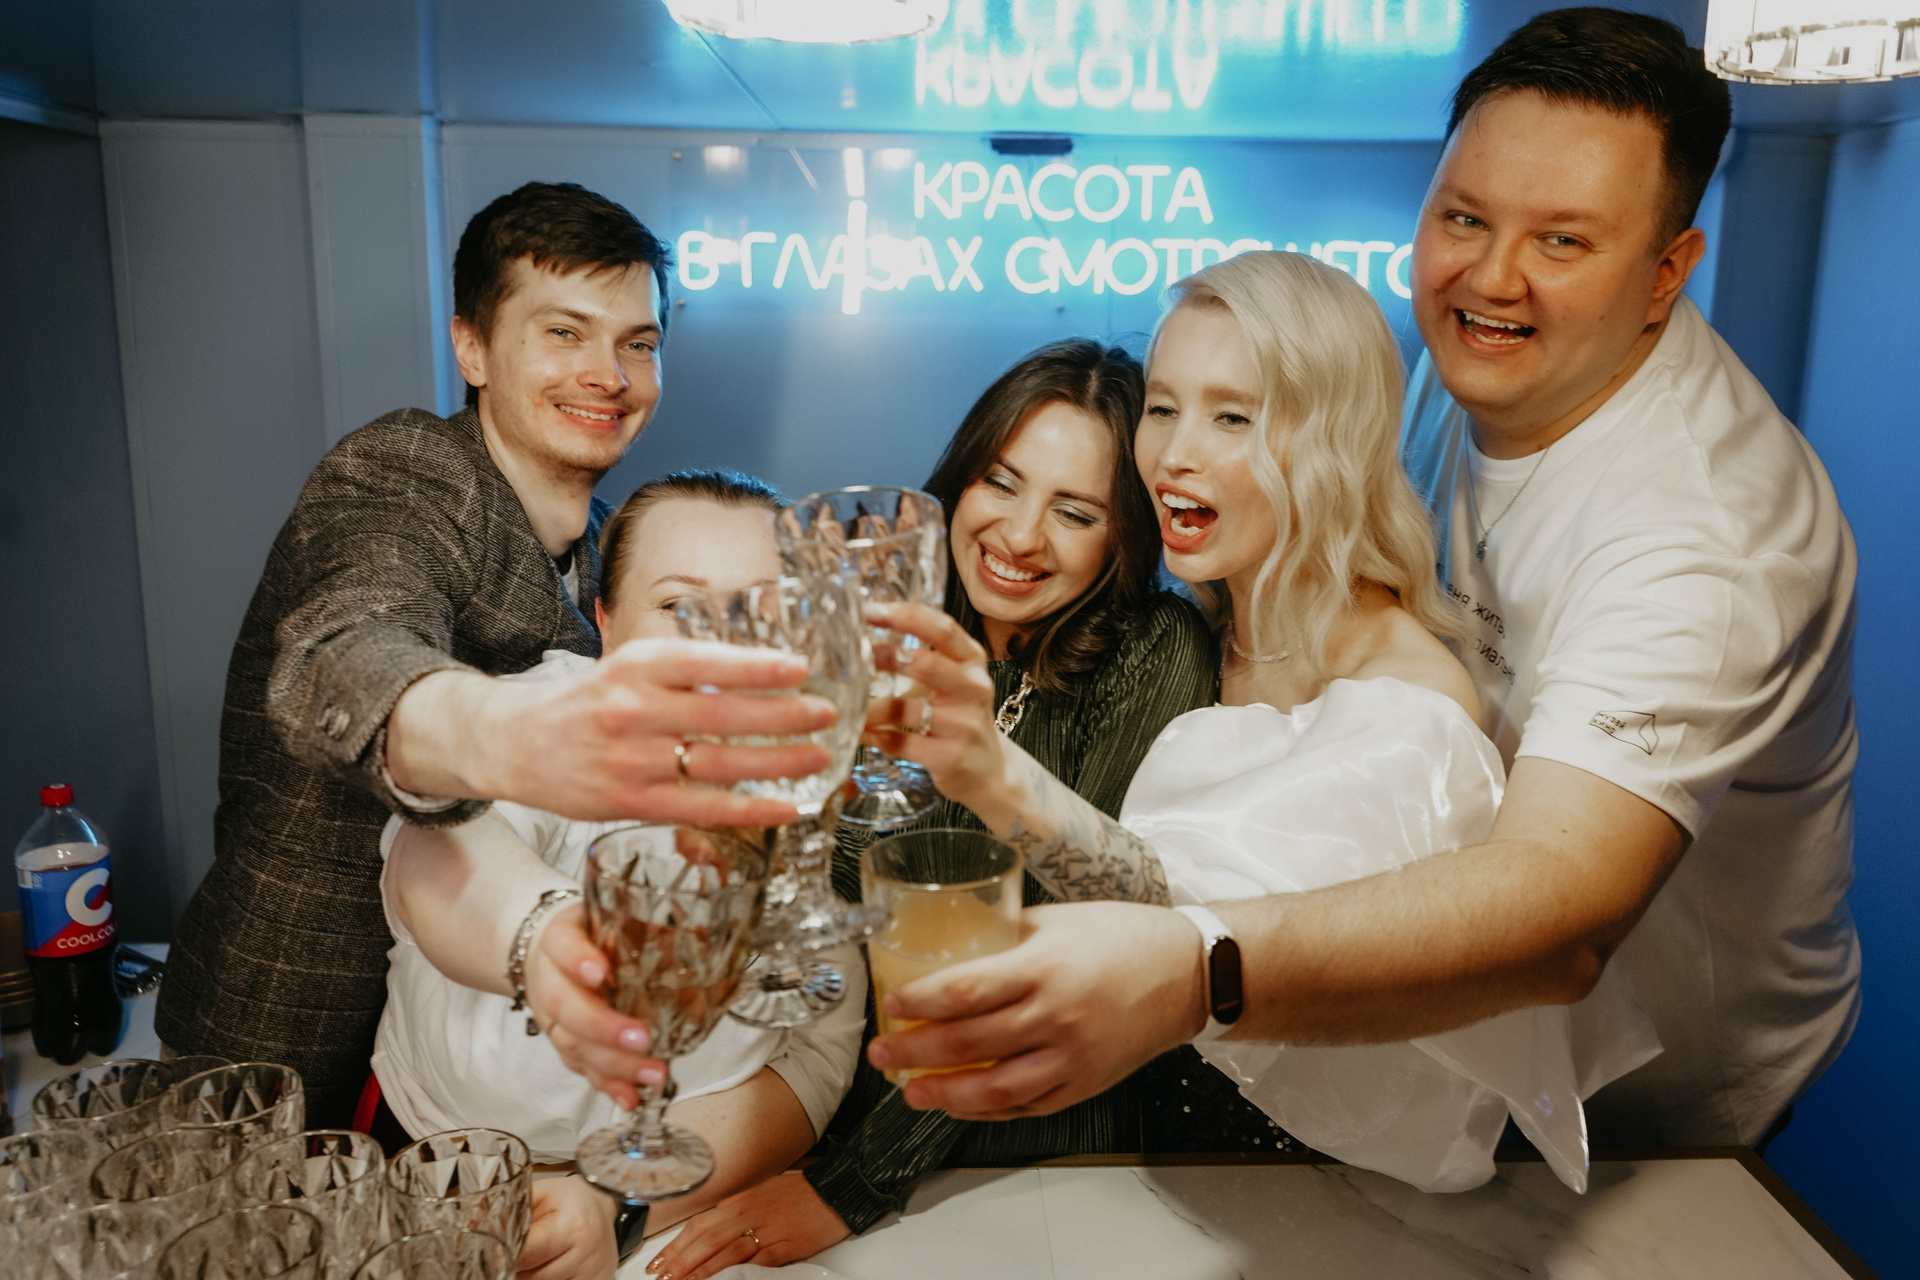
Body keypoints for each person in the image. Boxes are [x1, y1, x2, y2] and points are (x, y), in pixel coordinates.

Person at [856, 8, 1859, 1157]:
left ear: (1666, 270)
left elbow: (1560, 910)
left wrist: (1186, 966)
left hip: (1647, 1090)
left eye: (1563, 240)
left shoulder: (1704, 542)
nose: (1492, 277)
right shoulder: (1462, 362)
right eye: (1464, 218)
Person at [859, 250, 1658, 1193]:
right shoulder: (1204, 630)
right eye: (1164, 407)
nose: (1173, 454)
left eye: (1233, 417)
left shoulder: (1405, 707)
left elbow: (1186, 944)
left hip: (1307, 1202)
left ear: (1332, 444)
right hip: (1147, 1184)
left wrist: (990, 771)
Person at [156, 183, 835, 1126]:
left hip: (464, 1080)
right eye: (563, 333)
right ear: (471, 348)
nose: (608, 373)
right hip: (280, 1037)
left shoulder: (610, 551)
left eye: (638, 344)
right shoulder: (408, 472)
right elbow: (344, 653)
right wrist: (505, 734)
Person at [638, 340, 1230, 1280]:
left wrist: (851, 1187)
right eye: (1003, 482)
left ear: (1123, 534)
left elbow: (1057, 949)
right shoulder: (880, 632)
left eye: (1074, 512)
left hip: (1037, 1159)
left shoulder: (1153, 648)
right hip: (831, 1119)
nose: (1021, 535)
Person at [375, 471, 866, 1279]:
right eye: (678, 606)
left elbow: (812, 1065)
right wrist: (544, 934)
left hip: (670, 1213)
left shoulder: (820, 791)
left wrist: (617, 1203)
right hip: (447, 1188)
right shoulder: (541, 717)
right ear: (605, 624)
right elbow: (435, 848)